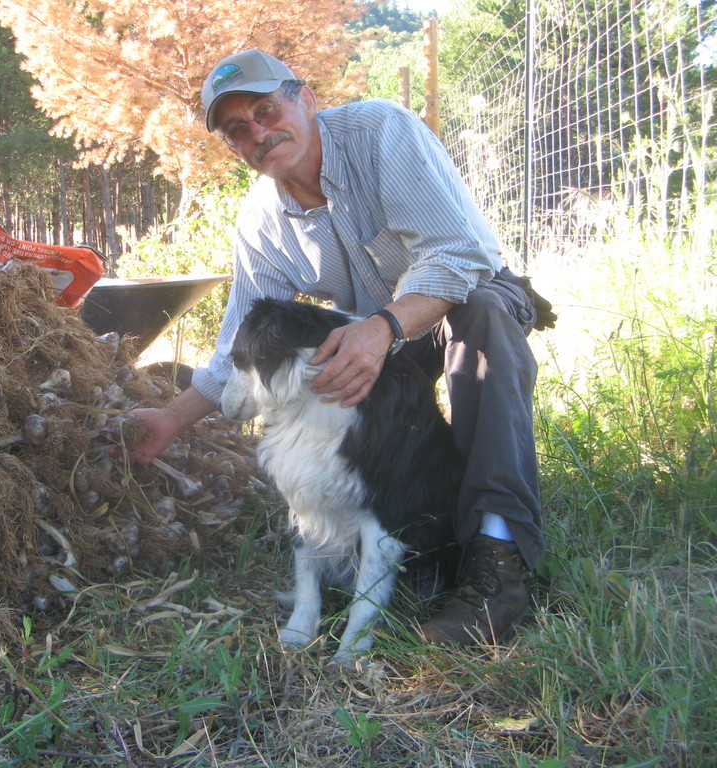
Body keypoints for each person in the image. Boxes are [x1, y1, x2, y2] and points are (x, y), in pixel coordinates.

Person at [126, 49, 554, 645]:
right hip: (372, 334)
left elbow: (461, 254)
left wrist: (382, 329)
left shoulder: (380, 132)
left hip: (456, 300)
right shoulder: (261, 223)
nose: (259, 134)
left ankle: (498, 560)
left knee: (483, 317)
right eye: (238, 129)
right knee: (317, 380)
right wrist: (171, 420)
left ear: (306, 98)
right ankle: (379, 526)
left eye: (266, 110)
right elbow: (242, 343)